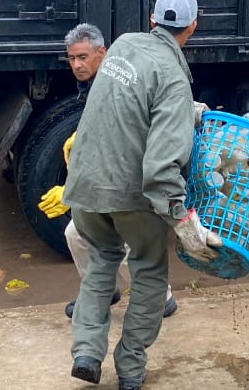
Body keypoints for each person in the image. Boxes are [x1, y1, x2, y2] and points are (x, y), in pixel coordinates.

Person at [62, 0, 223, 390]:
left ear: (152, 20)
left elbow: (134, 103)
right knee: (149, 271)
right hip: (129, 195)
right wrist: (184, 221)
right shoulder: (173, 77)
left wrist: (194, 111)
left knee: (101, 261)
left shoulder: (121, 47)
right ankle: (130, 367)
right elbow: (161, 167)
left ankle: (86, 352)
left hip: (84, 184)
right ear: (193, 27)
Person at [41, 23, 178, 320]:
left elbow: (120, 151)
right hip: (110, 183)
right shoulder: (95, 85)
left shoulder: (120, 84)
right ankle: (103, 291)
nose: (76, 65)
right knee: (76, 233)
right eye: (71, 58)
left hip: (130, 186)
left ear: (101, 53)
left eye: (82, 57)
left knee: (122, 237)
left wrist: (73, 189)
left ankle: (161, 297)